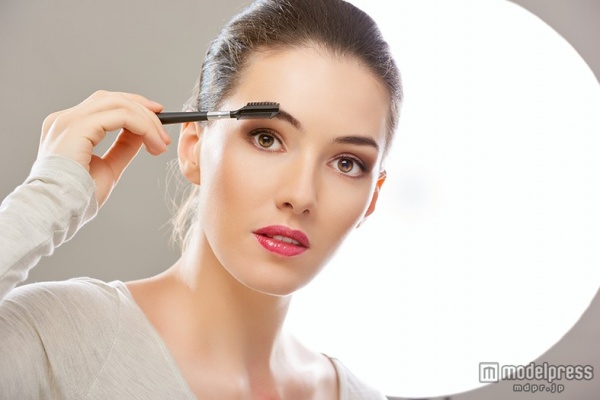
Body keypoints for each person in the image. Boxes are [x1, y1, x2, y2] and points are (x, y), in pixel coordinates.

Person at [0, 0, 402, 398]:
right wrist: (46, 198)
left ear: (372, 200)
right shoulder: (53, 338)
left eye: (347, 163)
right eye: (266, 138)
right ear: (193, 146)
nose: (300, 195)